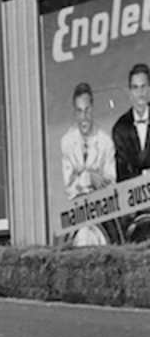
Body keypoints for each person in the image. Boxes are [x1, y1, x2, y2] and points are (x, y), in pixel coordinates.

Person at [60, 82, 118, 244]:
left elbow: (111, 183)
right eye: (79, 111)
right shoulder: (67, 141)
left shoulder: (105, 141)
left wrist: (95, 185)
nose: (83, 117)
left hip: (103, 213)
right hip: (77, 213)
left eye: (87, 110)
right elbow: (69, 187)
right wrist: (89, 178)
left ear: (92, 109)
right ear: (75, 113)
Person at [112, 63, 150, 182]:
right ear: (130, 92)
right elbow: (122, 175)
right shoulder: (120, 129)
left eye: (143, 86)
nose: (140, 93)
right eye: (135, 87)